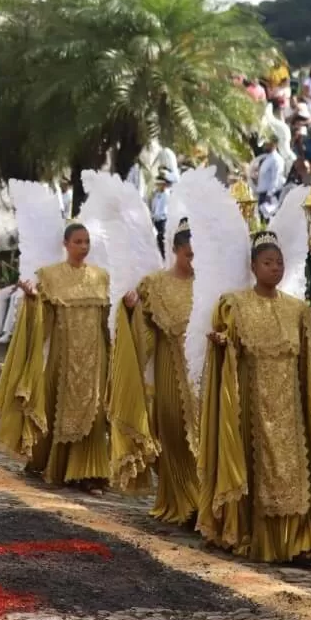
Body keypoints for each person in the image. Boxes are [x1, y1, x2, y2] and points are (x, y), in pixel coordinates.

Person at [200, 231, 311, 564]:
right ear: (253, 266)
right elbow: (226, 348)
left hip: (292, 407)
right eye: (267, 262)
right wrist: (222, 345)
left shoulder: (296, 309)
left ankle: (302, 538)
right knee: (259, 471)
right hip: (253, 402)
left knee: (297, 470)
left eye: (279, 262)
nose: (275, 268)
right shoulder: (233, 304)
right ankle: (262, 538)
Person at [0, 222, 141, 495]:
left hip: (95, 358)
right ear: (66, 244)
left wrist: (128, 309)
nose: (83, 247)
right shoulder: (50, 276)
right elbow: (44, 321)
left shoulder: (101, 277)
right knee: (56, 407)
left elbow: (109, 319)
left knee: (95, 412)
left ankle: (90, 474)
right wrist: (34, 300)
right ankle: (57, 466)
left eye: (87, 242)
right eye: (78, 242)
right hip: (62, 358)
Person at [122, 225, 198, 526]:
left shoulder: (208, 285)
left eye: (198, 255)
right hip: (170, 368)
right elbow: (145, 334)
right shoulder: (154, 285)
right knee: (174, 431)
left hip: (201, 372)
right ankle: (181, 502)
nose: (193, 261)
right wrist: (132, 311)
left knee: (203, 436)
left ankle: (204, 504)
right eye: (188, 254)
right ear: (175, 251)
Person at [149, 173, 173, 253]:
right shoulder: (156, 194)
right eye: (157, 184)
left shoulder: (166, 194)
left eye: (159, 184)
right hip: (156, 220)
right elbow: (154, 207)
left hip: (163, 220)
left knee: (162, 238)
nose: (157, 186)